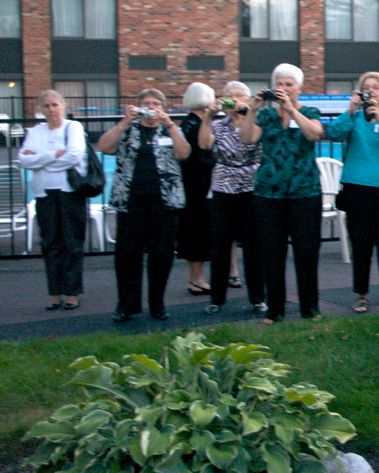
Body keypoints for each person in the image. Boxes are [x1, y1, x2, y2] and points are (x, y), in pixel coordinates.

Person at [237, 63, 324, 324]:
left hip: (304, 192)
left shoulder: (309, 111)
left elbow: (315, 134)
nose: (284, 89)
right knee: (272, 253)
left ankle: (310, 308)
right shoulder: (265, 116)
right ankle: (275, 309)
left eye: (289, 84)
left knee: (306, 252)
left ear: (298, 88)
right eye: (280, 84)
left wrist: (292, 111)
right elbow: (247, 139)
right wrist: (252, 110)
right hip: (269, 194)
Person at [97, 88, 191, 322]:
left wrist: (169, 124)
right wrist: (124, 122)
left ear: (163, 107)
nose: (150, 107)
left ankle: (157, 304)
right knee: (127, 255)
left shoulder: (170, 129)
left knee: (162, 254)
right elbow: (105, 147)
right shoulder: (128, 129)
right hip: (131, 200)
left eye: (155, 103)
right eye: (146, 103)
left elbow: (184, 154)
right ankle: (127, 305)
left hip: (163, 201)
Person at [327, 71, 379, 314]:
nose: (371, 91)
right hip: (357, 187)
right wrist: (351, 110)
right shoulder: (353, 119)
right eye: (366, 87)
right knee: (360, 243)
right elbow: (333, 132)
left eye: (376, 87)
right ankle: (361, 294)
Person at [198, 81, 266, 315]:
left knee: (254, 245)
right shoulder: (219, 125)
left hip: (251, 185)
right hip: (223, 186)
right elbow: (204, 144)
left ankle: (257, 297)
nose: (235, 100)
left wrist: (249, 113)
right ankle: (217, 298)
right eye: (230, 97)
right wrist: (208, 117)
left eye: (240, 96)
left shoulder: (257, 120)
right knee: (220, 245)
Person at [18, 90, 87, 311]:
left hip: (69, 193)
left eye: (55, 105)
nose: (51, 110)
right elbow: (23, 160)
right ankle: (55, 293)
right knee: (50, 244)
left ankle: (72, 293)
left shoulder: (73, 128)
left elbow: (74, 155)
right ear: (41, 109)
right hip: (44, 194)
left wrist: (40, 159)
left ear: (63, 106)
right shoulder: (35, 132)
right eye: (46, 106)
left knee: (72, 243)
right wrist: (51, 156)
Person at [177, 82, 215, 296]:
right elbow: (205, 147)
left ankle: (195, 278)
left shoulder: (189, 123)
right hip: (199, 183)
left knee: (196, 229)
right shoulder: (196, 123)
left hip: (194, 182)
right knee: (199, 230)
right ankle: (197, 278)